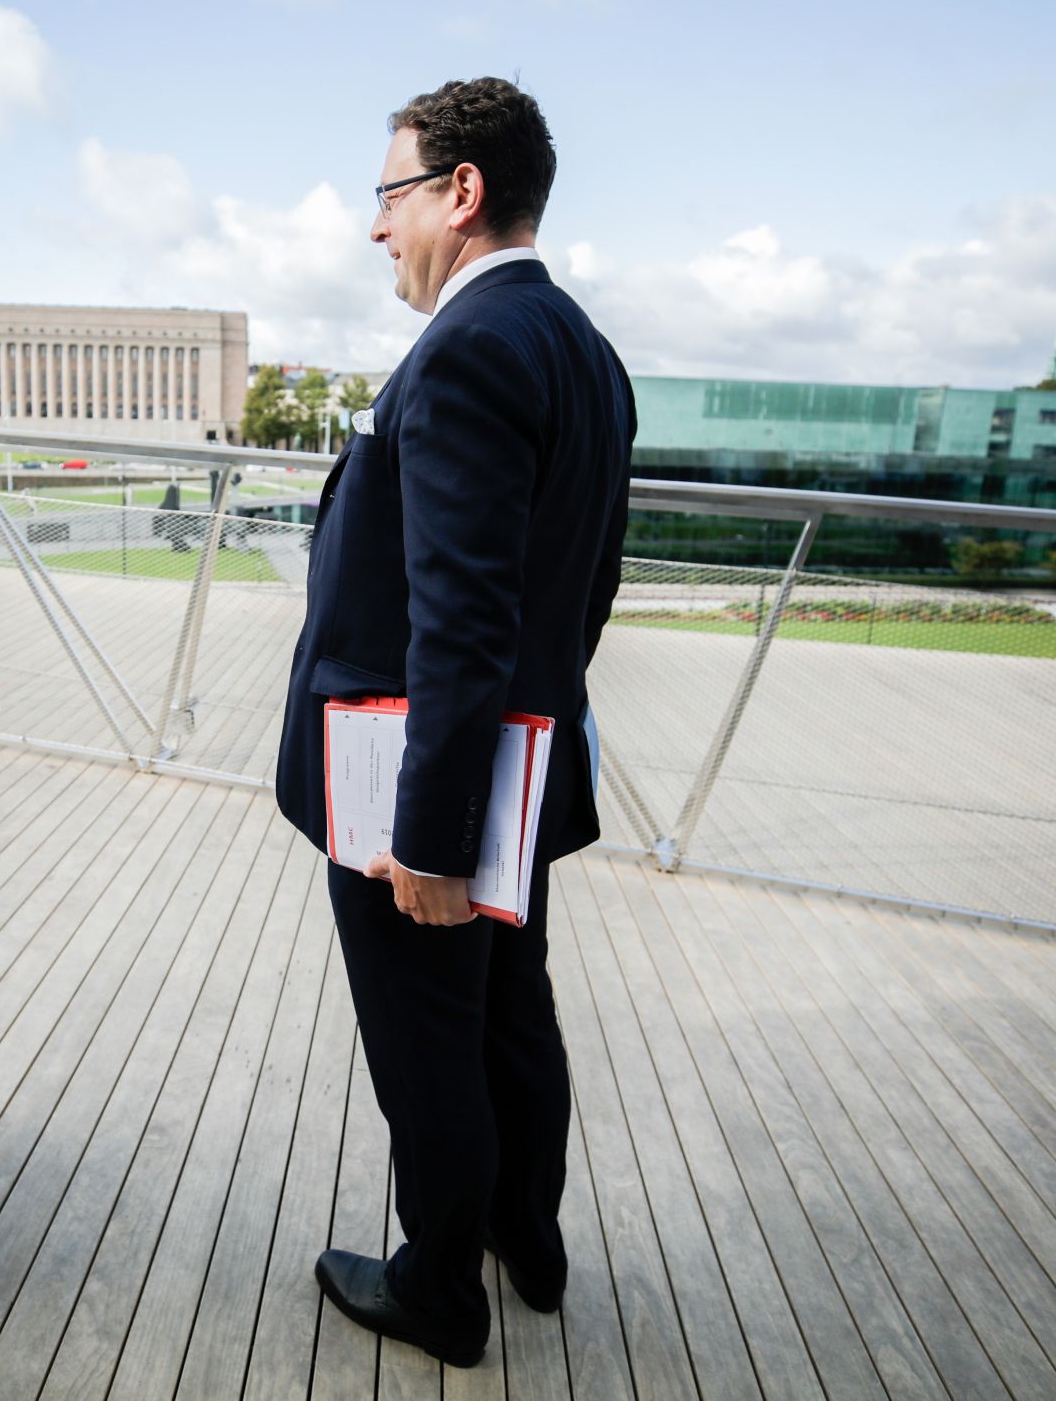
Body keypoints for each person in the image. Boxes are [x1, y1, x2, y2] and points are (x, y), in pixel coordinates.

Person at [275, 79, 635, 1365]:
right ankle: (521, 1235)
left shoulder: (471, 347)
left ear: (459, 193)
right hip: (517, 768)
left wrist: (428, 839)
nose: (377, 227)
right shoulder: (581, 348)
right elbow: (580, 592)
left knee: (429, 1037)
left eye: (389, 195)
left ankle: (437, 1285)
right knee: (504, 1012)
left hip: (420, 785)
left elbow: (461, 618)